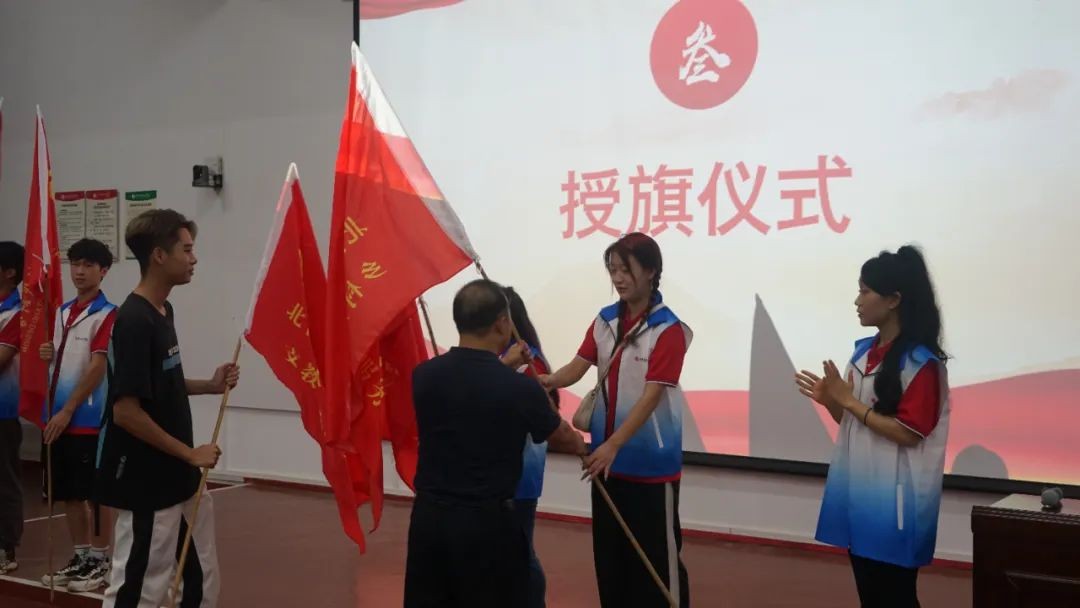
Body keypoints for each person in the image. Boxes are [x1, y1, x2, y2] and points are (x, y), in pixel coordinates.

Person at [404, 279, 586, 608]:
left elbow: (473, 391)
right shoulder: (518, 388)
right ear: (502, 323)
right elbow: (559, 434)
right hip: (486, 524)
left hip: (429, 518)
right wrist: (580, 443)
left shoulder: (423, 375)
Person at [541, 232, 692, 608]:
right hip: (606, 465)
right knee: (612, 563)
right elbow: (577, 367)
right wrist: (546, 380)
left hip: (650, 467)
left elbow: (651, 397)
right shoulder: (606, 320)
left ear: (651, 271)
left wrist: (613, 445)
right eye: (613, 270)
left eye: (626, 269)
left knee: (657, 566)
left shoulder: (668, 329)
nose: (618, 278)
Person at [97, 210, 239, 608]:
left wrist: (209, 386)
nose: (194, 258)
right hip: (148, 480)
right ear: (159, 255)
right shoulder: (134, 321)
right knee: (141, 587)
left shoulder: (163, 311)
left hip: (180, 477)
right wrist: (189, 453)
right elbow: (126, 411)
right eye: (186, 249)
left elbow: (161, 384)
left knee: (199, 578)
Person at [795, 245, 949, 608]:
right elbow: (852, 424)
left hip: (897, 502)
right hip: (859, 492)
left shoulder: (922, 364)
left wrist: (850, 402)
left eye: (865, 292)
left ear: (893, 300)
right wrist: (831, 401)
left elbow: (909, 433)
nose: (857, 301)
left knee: (895, 595)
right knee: (870, 592)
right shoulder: (862, 354)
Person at [36, 238, 117, 592]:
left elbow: (97, 367)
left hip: (88, 419)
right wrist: (48, 353)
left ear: (104, 271)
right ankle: (82, 556)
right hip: (57, 418)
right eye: (75, 264)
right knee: (69, 491)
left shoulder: (108, 314)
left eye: (88, 265)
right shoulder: (61, 312)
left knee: (94, 492)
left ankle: (101, 560)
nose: (79, 272)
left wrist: (69, 409)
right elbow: (59, 361)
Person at [499, 286, 559, 608]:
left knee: (521, 551)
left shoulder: (529, 361)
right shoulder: (498, 357)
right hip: (496, 474)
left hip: (520, 474)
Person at [0, 241, 25, 574]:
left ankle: (6, 546)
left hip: (2, 412)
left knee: (4, 480)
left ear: (8, 273)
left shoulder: (18, 314)